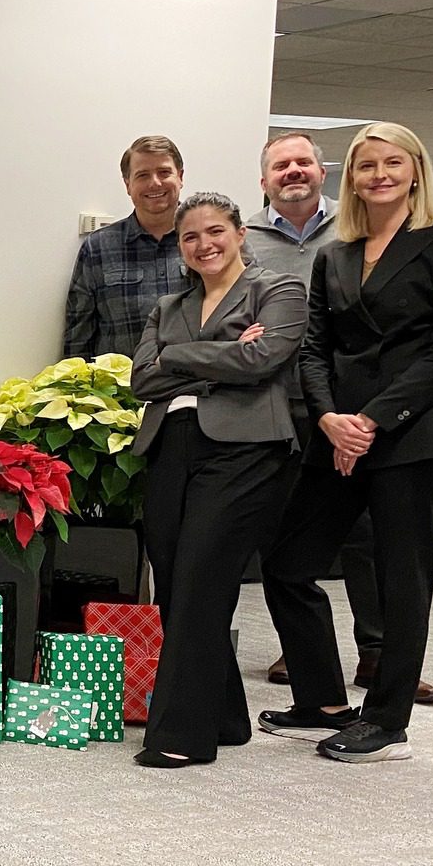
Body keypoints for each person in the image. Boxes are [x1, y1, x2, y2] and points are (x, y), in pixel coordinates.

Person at [258, 122, 433, 764]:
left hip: (414, 434)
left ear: (415, 171)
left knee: (399, 583)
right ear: (349, 178)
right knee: (288, 561)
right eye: (364, 165)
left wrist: (372, 420)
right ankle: (321, 700)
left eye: (392, 163)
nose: (378, 175)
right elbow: (315, 348)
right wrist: (330, 418)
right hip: (338, 433)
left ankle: (388, 721)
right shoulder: (338, 254)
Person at [128, 194, 305, 768]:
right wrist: (219, 352)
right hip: (171, 448)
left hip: (246, 450)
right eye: (190, 237)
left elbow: (263, 362)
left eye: (215, 231)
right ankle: (227, 715)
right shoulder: (168, 305)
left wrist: (179, 360)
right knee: (177, 583)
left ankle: (181, 734)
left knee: (202, 577)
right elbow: (142, 380)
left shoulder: (277, 291)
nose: (204, 244)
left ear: (239, 234)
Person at [63, 134, 186, 360]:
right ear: (127, 184)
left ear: (180, 176)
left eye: (164, 172)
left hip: (194, 389)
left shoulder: (210, 243)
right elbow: (78, 334)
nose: (155, 183)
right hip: (121, 392)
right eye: (142, 175)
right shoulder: (99, 247)